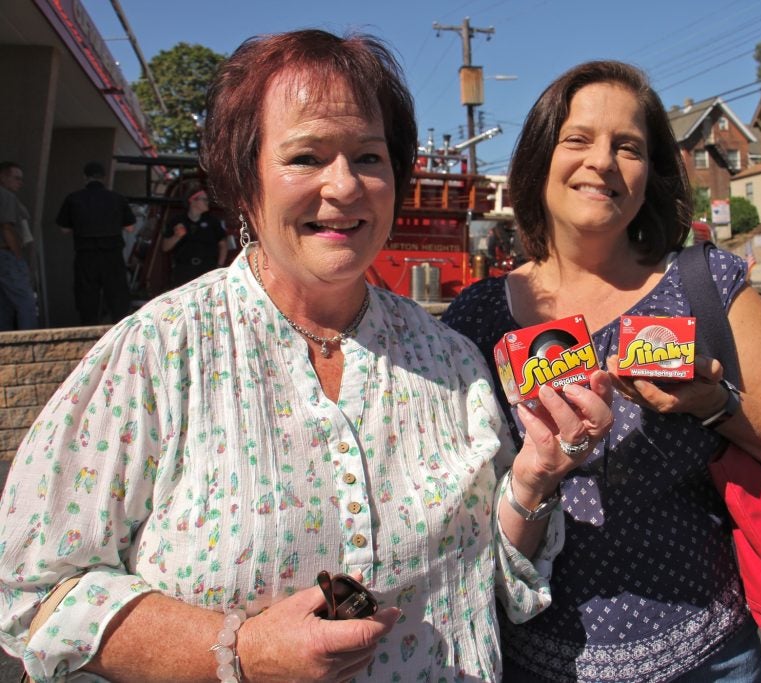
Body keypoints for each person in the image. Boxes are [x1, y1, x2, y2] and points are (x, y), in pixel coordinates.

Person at [0, 30, 614, 682]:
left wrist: (533, 477)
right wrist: (239, 649)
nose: (345, 185)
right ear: (244, 178)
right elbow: (34, 591)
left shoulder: (453, 361)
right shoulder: (157, 353)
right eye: (306, 156)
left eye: (369, 157)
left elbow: (498, 583)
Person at [443, 60, 761, 682]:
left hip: (707, 659)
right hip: (535, 663)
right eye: (578, 139)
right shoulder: (478, 318)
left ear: (650, 175)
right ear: (540, 159)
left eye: (628, 147)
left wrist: (714, 402)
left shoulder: (705, 284)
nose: (602, 161)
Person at [56, 161, 137, 324]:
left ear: (85, 177)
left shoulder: (73, 198)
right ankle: (118, 327)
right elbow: (130, 228)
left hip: (85, 254)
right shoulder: (117, 198)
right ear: (104, 178)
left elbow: (64, 229)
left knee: (87, 296)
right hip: (112, 253)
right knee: (116, 294)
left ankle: (88, 329)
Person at [161, 188, 228, 286]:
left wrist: (219, 267)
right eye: (204, 199)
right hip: (184, 270)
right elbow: (165, 247)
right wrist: (176, 236)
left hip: (207, 271)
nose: (207, 202)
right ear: (192, 200)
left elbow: (223, 245)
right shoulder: (177, 221)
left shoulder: (213, 222)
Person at [0, 160, 37, 330]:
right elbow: (7, 227)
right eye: (16, 178)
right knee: (26, 302)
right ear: (3, 177)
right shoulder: (6, 197)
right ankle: (30, 342)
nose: (20, 183)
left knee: (5, 305)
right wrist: (18, 255)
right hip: (7, 254)